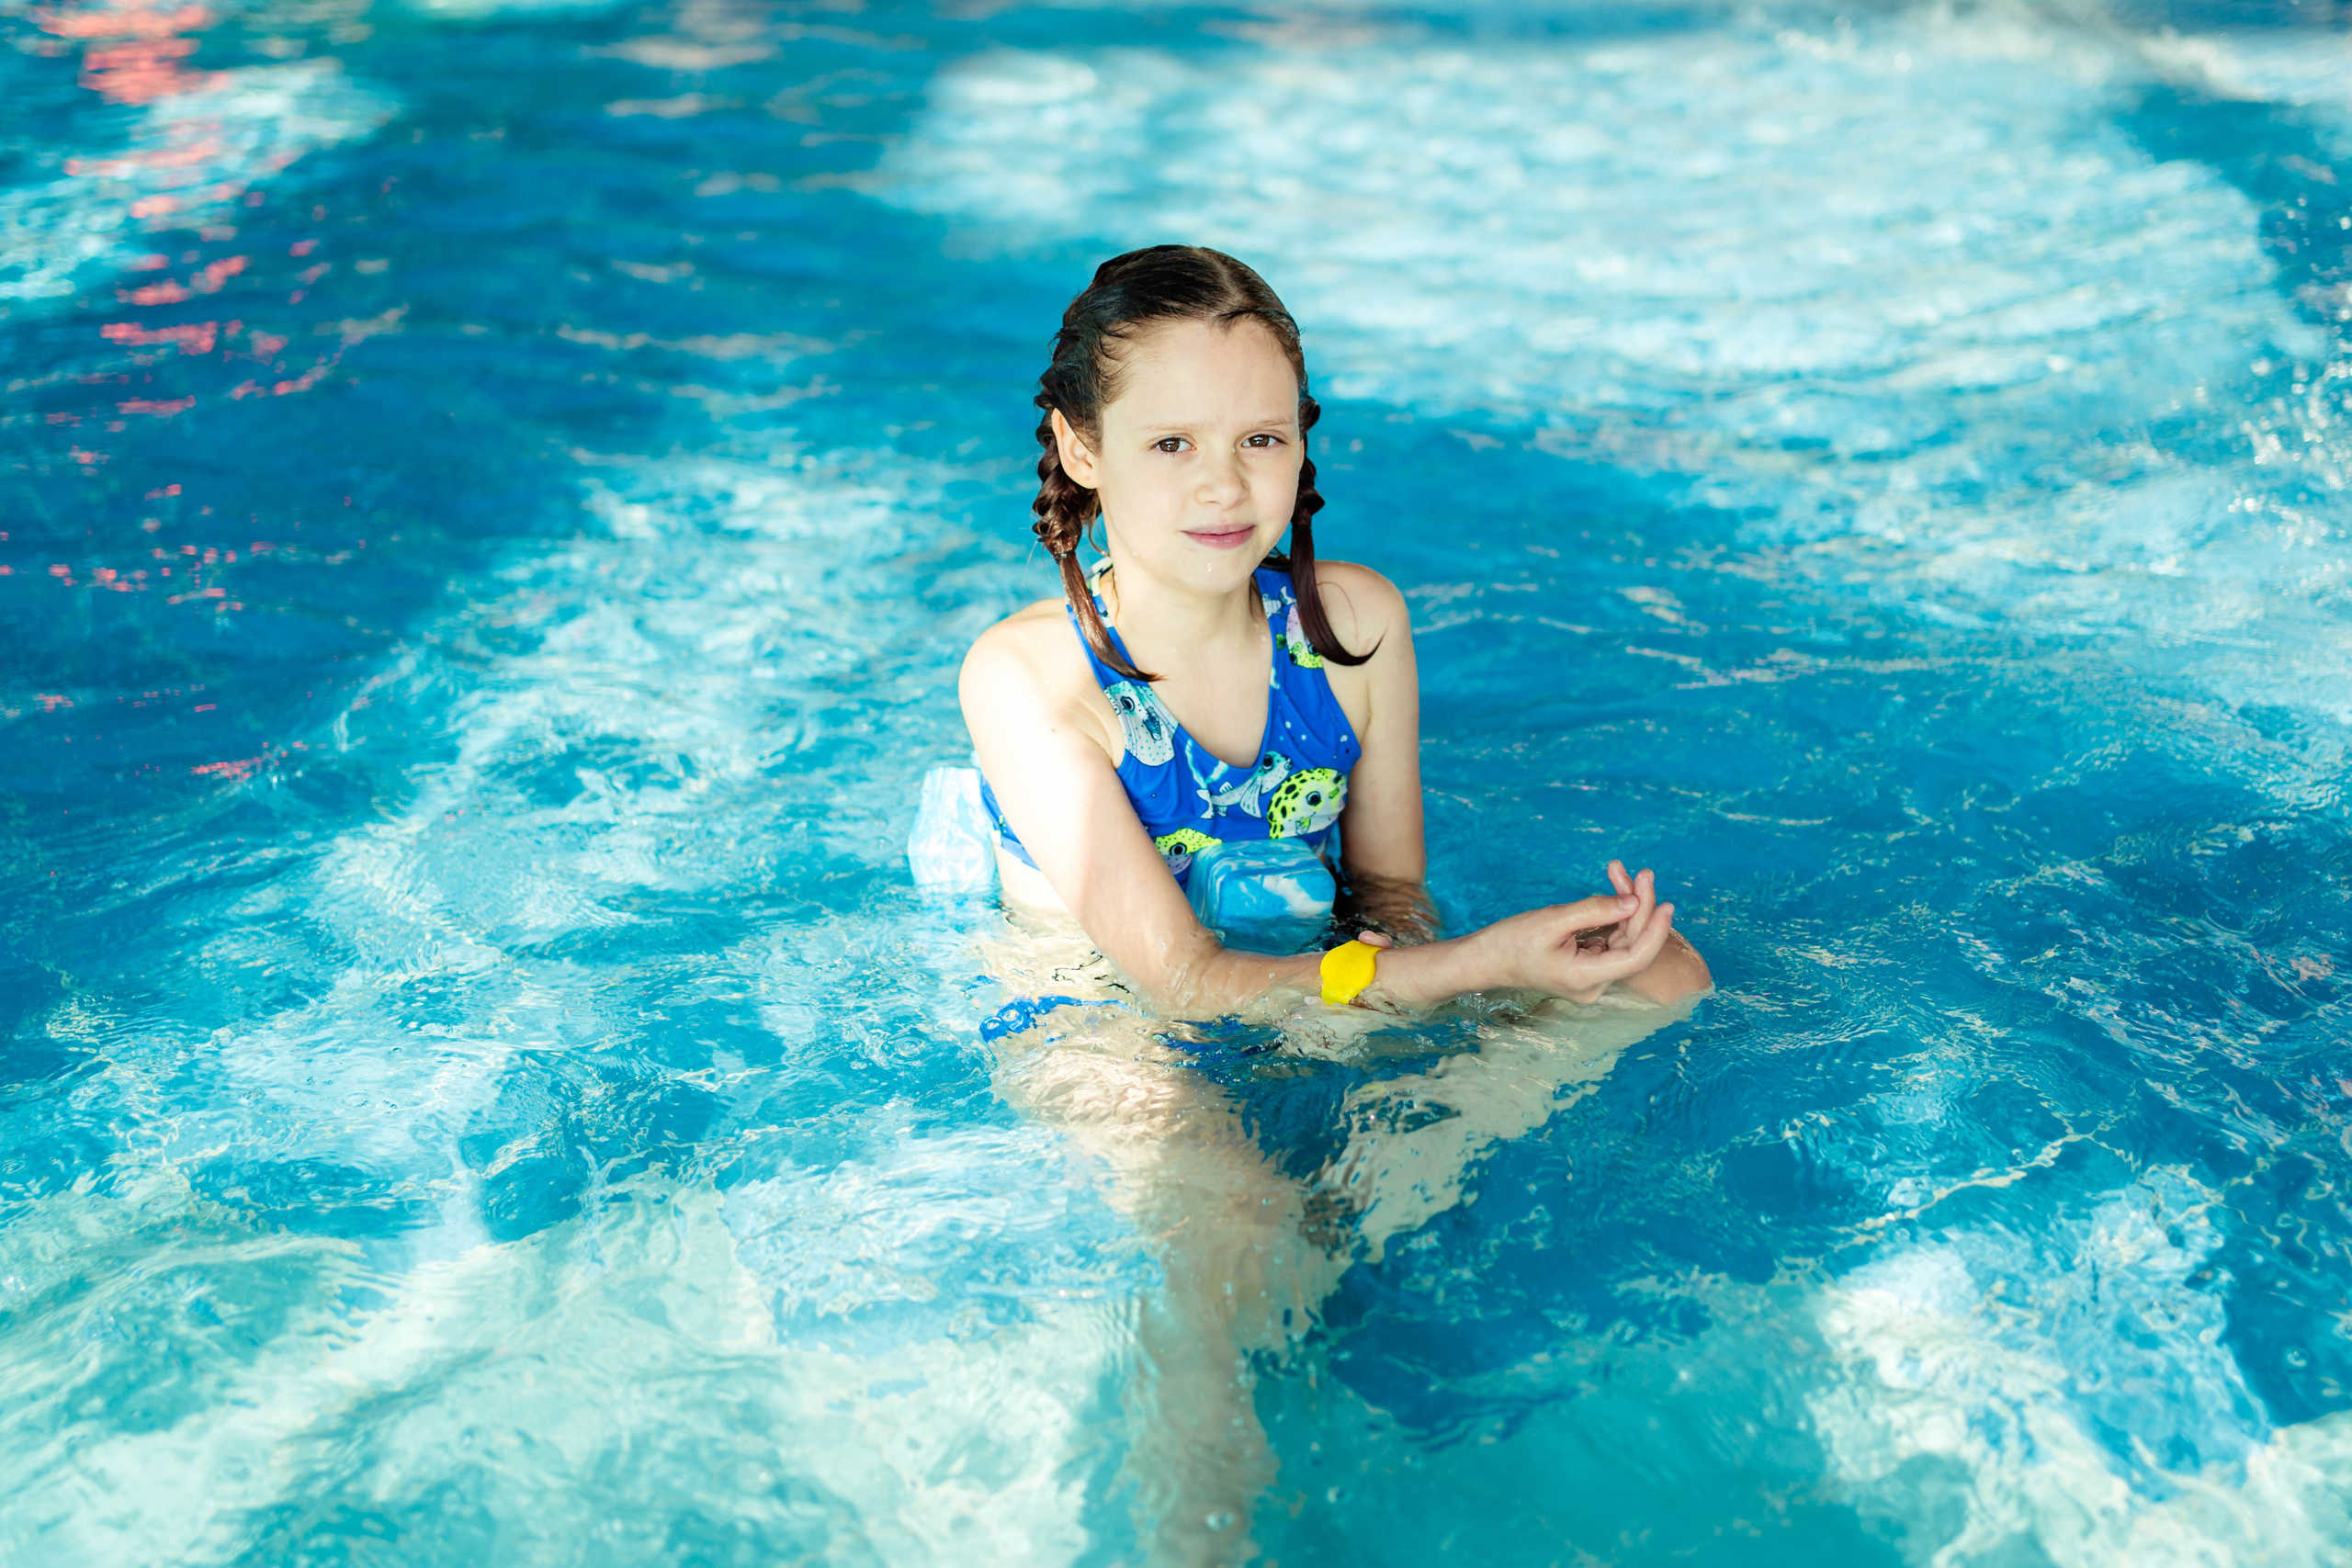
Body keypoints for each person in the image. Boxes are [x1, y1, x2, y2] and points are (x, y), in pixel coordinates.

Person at [961, 244, 1712, 1016]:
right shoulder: (1029, 677)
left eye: (1260, 439)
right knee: (1168, 1121)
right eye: (1172, 443)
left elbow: (1389, 892)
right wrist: (1476, 963)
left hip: (1316, 982)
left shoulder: (1353, 628)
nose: (1223, 485)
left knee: (1662, 973)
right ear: (1082, 448)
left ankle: (1390, 1138)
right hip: (1112, 1021)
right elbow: (1182, 983)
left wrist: (1391, 1028)